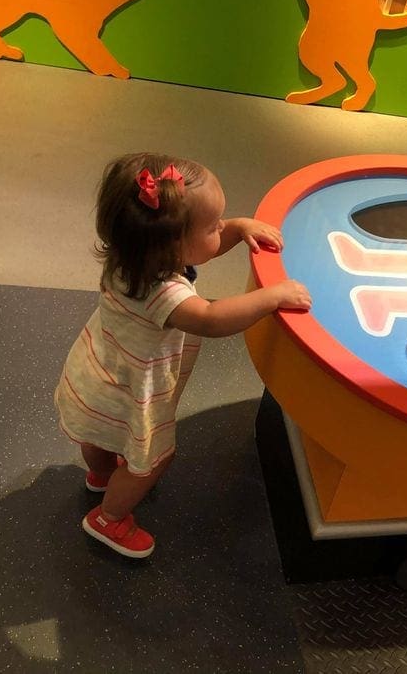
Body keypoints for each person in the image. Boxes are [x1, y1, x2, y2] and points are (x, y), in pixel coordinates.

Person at [54, 152, 312, 558]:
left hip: (97, 374)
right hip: (134, 392)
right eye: (215, 226)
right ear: (172, 246)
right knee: (153, 461)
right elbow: (210, 318)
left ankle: (101, 474)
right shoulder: (165, 295)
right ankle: (109, 519)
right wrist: (271, 297)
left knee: (98, 434)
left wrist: (239, 228)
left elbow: (200, 249)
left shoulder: (130, 258)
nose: (223, 229)